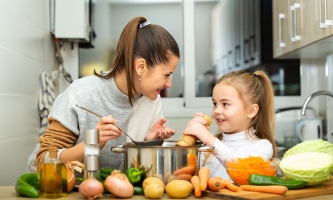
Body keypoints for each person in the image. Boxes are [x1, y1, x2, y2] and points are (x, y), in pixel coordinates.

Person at [26, 16, 180, 173]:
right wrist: (91, 143)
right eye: (166, 75)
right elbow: (40, 162)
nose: (169, 84)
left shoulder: (152, 101)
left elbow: (136, 173)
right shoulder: (81, 93)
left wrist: (147, 144)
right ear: (141, 67)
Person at [182, 70, 277, 180]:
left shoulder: (261, 146)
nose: (217, 110)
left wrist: (211, 141)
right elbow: (182, 172)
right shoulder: (207, 146)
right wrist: (191, 140)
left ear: (251, 111)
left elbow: (248, 175)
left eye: (225, 104)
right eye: (215, 104)